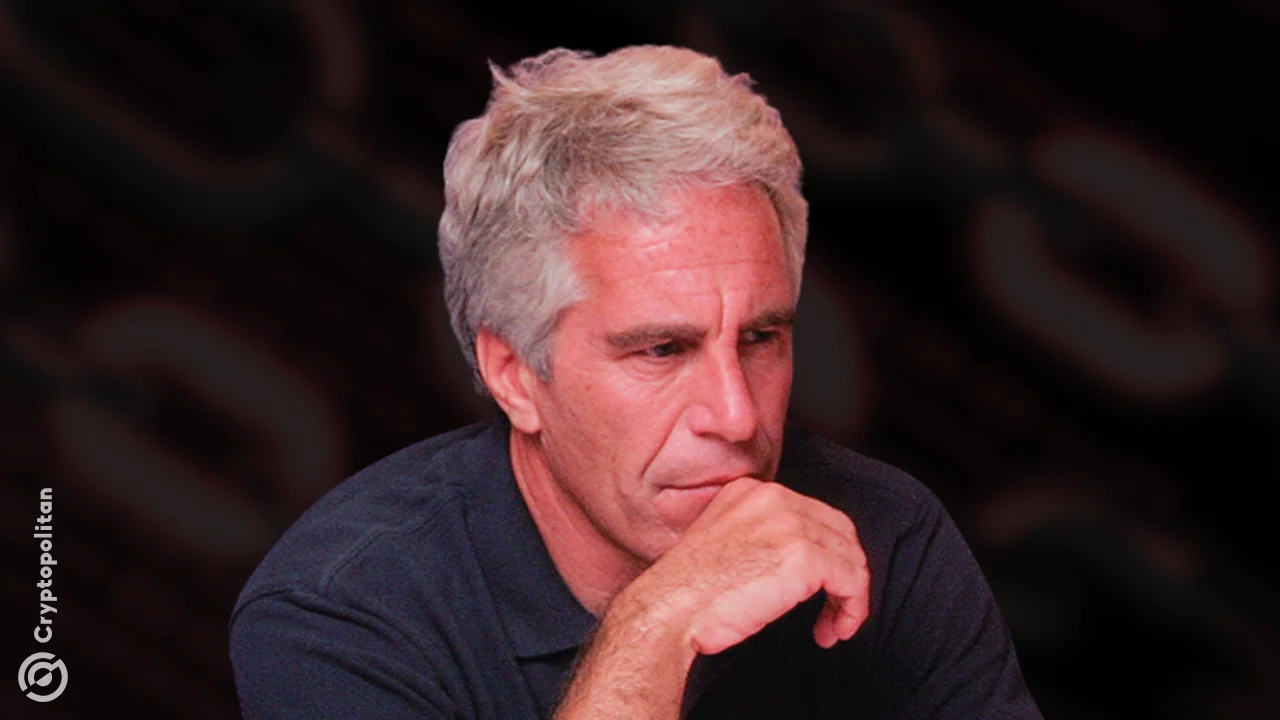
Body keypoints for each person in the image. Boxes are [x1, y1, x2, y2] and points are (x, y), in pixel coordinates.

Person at [229, 45, 1043, 719]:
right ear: (514, 374)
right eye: (661, 350)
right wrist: (658, 623)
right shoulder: (341, 615)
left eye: (761, 337)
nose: (737, 416)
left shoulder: (884, 533)